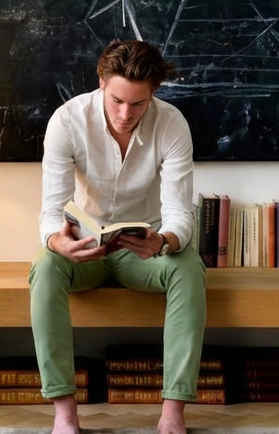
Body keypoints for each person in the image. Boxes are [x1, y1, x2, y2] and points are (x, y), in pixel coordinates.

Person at [29, 39, 206, 434]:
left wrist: (164, 241)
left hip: (142, 250)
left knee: (189, 267)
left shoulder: (172, 123)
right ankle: (64, 413)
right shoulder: (67, 120)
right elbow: (51, 209)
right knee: (44, 267)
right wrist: (58, 242)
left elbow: (180, 213)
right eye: (116, 101)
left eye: (138, 104)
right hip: (85, 246)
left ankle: (173, 414)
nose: (126, 114)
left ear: (153, 94)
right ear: (101, 82)